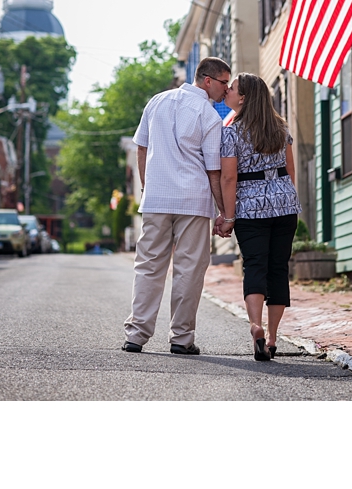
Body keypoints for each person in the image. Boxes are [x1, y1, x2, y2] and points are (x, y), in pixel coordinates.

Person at [122, 57, 231, 355]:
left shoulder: (156, 101)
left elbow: (141, 148)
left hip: (157, 198)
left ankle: (136, 335)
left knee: (148, 265)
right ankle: (181, 339)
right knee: (189, 269)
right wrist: (224, 212)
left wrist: (147, 187)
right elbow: (213, 171)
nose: (227, 89)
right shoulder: (209, 117)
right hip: (194, 200)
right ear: (207, 80)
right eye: (224, 82)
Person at [218, 73, 300, 361]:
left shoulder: (231, 133)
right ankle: (274, 338)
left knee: (254, 266)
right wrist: (286, 199)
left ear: (243, 98)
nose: (227, 91)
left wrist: (228, 217)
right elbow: (290, 171)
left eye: (232, 89)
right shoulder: (280, 129)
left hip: (250, 207)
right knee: (278, 268)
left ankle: (256, 326)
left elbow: (229, 179)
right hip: (285, 205)